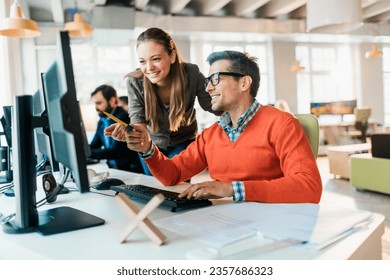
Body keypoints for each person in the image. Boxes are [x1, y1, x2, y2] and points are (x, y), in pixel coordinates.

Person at [107, 50, 322, 203]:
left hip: (272, 224)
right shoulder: (212, 135)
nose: (208, 88)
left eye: (216, 79)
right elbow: (172, 174)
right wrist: (147, 148)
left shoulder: (282, 123)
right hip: (226, 222)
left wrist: (230, 188)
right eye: (208, 80)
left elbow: (309, 187)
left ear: (244, 83)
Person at [117, 27, 219, 176]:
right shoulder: (135, 81)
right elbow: (138, 120)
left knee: (176, 183)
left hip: (184, 141)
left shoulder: (191, 73)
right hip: (151, 144)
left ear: (171, 56)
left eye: (156, 59)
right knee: (154, 187)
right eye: (142, 61)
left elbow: (213, 105)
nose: (149, 67)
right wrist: (128, 132)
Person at [89, 84, 143, 173]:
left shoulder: (123, 117)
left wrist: (87, 154)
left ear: (112, 101)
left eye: (99, 103)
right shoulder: (102, 120)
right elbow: (95, 145)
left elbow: (116, 151)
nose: (96, 108)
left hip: (130, 170)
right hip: (114, 169)